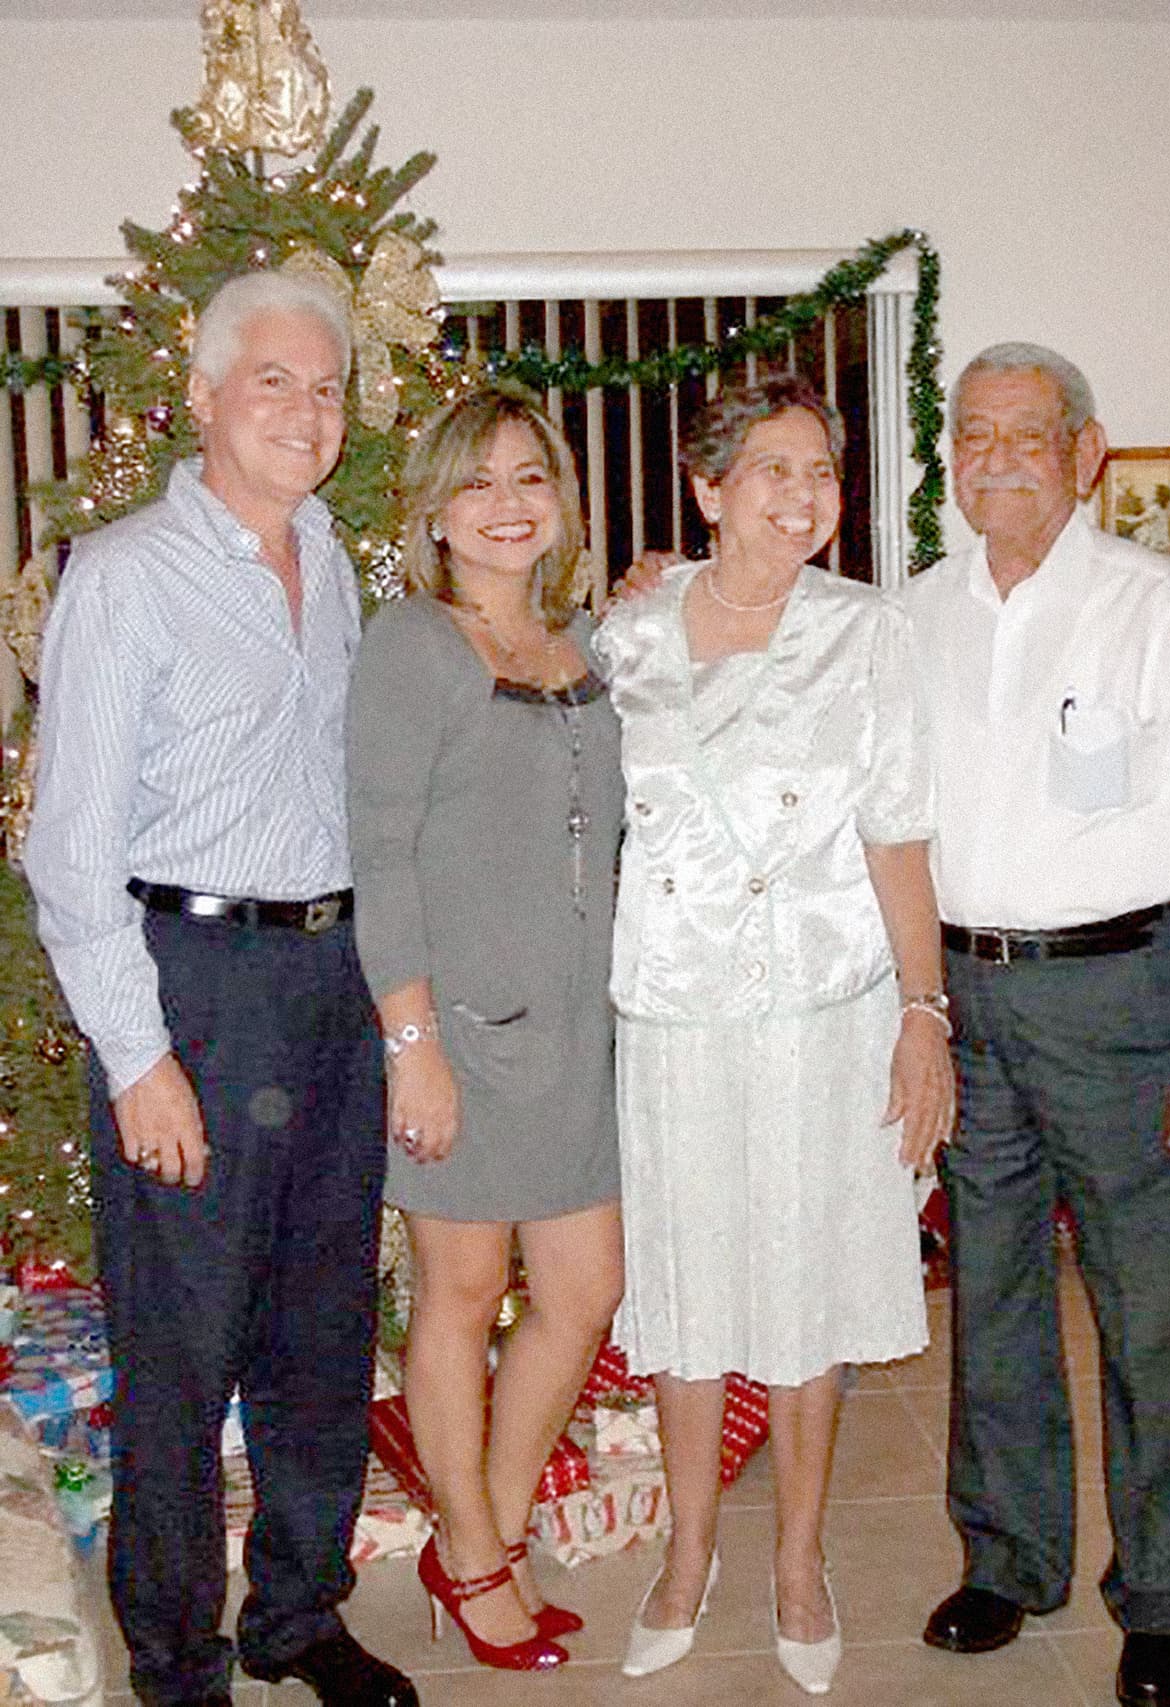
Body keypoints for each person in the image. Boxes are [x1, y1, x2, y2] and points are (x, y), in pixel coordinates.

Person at [24, 272, 417, 1707]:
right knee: (182, 1353)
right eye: (273, 382)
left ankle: (299, 1617)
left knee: (321, 1328)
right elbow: (68, 848)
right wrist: (139, 1058)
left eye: (327, 387)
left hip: (332, 983)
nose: (307, 413)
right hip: (189, 985)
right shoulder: (127, 577)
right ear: (200, 398)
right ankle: (178, 1660)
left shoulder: (336, 562)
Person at [907, 343, 1170, 1707]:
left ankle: (1168, 1597)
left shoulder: (1154, 608)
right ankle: (1009, 1560)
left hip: (1124, 1000)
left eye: (1027, 433)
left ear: (1086, 453)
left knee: (1157, 1311)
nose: (996, 456)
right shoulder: (919, 613)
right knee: (994, 1296)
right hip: (970, 999)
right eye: (973, 432)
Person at [596, 376, 954, 1697]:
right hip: (677, 1016)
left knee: (808, 1299)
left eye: (821, 471)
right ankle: (686, 1557)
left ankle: (801, 1563)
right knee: (689, 1298)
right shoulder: (626, 636)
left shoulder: (868, 632)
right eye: (772, 469)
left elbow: (899, 835)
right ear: (707, 490)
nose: (803, 497)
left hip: (823, 1009)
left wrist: (923, 1013)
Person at [345, 385, 625, 1673]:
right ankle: (471, 1553)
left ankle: (488, 1531)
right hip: (460, 1034)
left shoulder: (586, 646)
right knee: (460, 1296)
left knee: (584, 1291)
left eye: (531, 477)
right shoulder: (414, 645)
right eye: (479, 481)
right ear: (436, 512)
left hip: (580, 1036)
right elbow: (381, 858)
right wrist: (414, 1049)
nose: (508, 504)